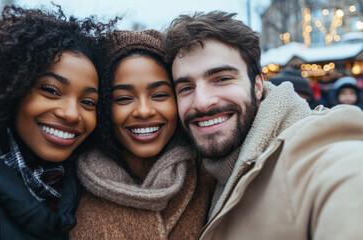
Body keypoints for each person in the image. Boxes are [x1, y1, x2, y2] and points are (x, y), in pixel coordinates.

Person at [164, 11, 363, 239]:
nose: (202, 102)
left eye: (222, 79)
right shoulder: (194, 179)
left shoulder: (317, 154)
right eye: (186, 88)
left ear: (258, 86)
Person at [0, 6, 112, 240]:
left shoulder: (73, 189)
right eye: (51, 90)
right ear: (9, 88)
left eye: (88, 102)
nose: (71, 114)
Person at [70, 29, 214, 239]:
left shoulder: (210, 173)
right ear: (103, 108)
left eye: (159, 95)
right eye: (123, 98)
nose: (144, 111)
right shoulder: (69, 186)